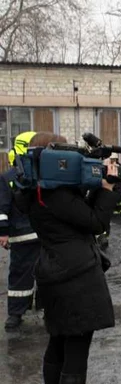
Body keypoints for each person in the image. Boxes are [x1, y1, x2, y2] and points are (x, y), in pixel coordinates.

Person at [17, 132, 121, 384]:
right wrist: (109, 188)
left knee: (58, 344)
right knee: (75, 352)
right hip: (76, 278)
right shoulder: (57, 195)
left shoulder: (37, 190)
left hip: (54, 273)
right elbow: (96, 221)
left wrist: (96, 178)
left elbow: (79, 212)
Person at [0, 131, 39, 330]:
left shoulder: (8, 176)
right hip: (31, 236)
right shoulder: (10, 177)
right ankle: (16, 312)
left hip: (30, 235)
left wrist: (4, 233)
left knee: (22, 274)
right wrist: (3, 232)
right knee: (24, 274)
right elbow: (2, 209)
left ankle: (17, 313)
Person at [96, 153, 121, 250]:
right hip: (110, 188)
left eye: (114, 159)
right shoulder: (104, 168)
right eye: (112, 159)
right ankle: (113, 219)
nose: (113, 161)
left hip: (118, 188)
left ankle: (119, 217)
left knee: (119, 204)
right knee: (111, 205)